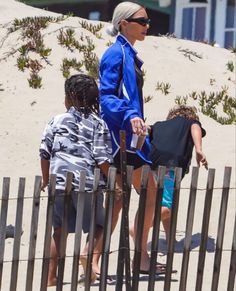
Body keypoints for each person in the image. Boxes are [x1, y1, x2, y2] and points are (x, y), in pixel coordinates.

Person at [99, 2, 165, 274]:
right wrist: (130, 115)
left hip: (130, 135)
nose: (147, 26)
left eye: (148, 21)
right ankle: (140, 257)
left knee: (119, 201)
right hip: (122, 138)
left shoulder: (127, 53)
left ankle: (93, 258)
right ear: (124, 22)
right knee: (148, 192)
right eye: (142, 21)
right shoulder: (116, 53)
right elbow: (106, 97)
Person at [39, 74, 113, 286]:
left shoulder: (56, 120)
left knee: (59, 230)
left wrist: (46, 180)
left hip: (59, 182)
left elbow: (44, 152)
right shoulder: (98, 124)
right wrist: (113, 180)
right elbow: (101, 157)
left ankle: (51, 277)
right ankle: (87, 253)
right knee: (99, 224)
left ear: (69, 98)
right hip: (88, 183)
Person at [149, 105, 208, 243]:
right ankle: (140, 227)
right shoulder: (190, 122)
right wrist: (199, 149)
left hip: (152, 164)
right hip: (170, 165)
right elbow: (195, 127)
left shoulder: (159, 125)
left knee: (160, 202)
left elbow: (147, 130)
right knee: (167, 208)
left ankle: (170, 239)